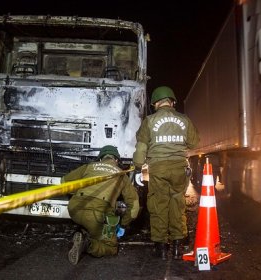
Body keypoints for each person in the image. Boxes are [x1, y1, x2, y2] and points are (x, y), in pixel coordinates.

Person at [133, 86, 199, 260]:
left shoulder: (149, 120)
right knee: (177, 204)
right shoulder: (184, 120)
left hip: (158, 169)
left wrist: (138, 164)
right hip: (179, 168)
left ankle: (161, 247)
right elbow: (194, 143)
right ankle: (178, 245)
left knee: (158, 205)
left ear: (155, 103)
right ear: (173, 102)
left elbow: (141, 147)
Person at [62, 145, 140, 265]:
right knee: (111, 247)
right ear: (117, 160)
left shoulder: (88, 167)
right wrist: (124, 225)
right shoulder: (121, 174)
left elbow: (64, 182)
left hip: (75, 208)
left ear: (100, 159)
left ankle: (84, 232)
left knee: (91, 224)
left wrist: (78, 193)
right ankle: (87, 244)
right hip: (98, 214)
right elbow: (134, 206)